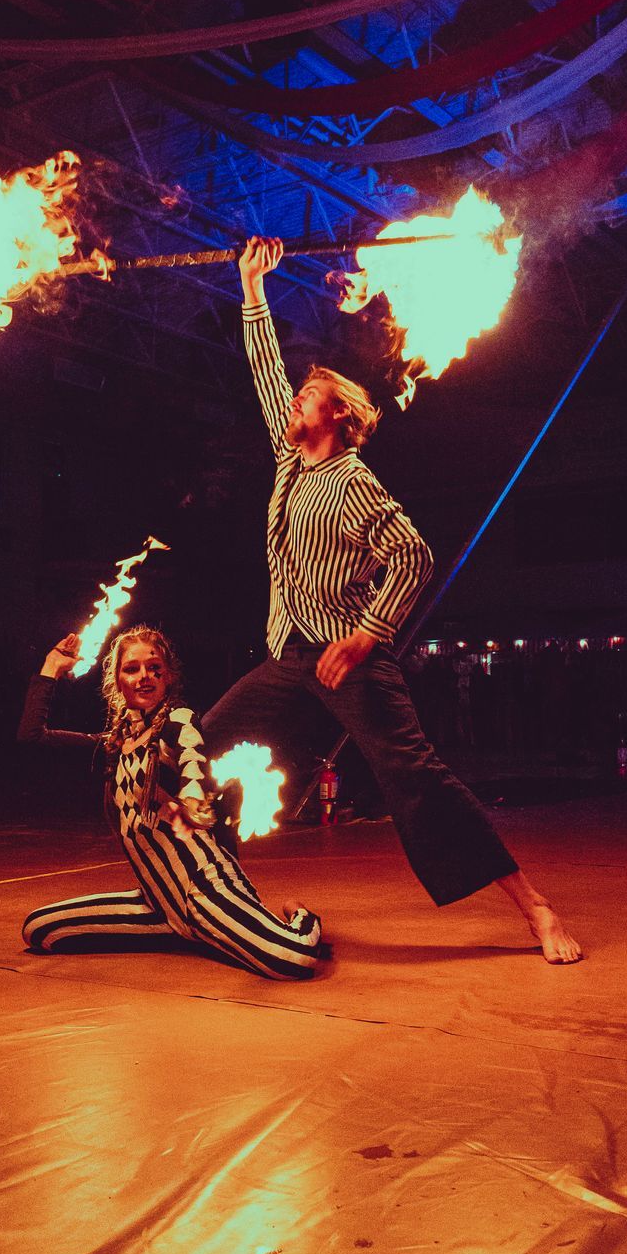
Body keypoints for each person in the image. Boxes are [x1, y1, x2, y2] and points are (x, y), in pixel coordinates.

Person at [200, 239, 581, 965]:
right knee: (202, 742)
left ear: (338, 415)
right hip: (289, 657)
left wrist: (367, 635)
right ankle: (214, 894)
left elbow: (414, 555)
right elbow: (265, 373)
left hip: (350, 662)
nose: (293, 402)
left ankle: (535, 907)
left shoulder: (353, 483)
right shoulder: (290, 459)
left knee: (416, 780)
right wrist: (252, 289)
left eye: (308, 398)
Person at [18, 620, 325, 981]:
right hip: (157, 903)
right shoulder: (111, 748)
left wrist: (191, 793)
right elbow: (31, 738)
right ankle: (197, 934)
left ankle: (301, 916)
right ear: (117, 681)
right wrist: (51, 667)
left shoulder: (178, 721)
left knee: (293, 959)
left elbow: (191, 755)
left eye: (154, 668)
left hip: (205, 889)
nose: (144, 677)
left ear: (168, 678)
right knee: (40, 929)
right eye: (132, 669)